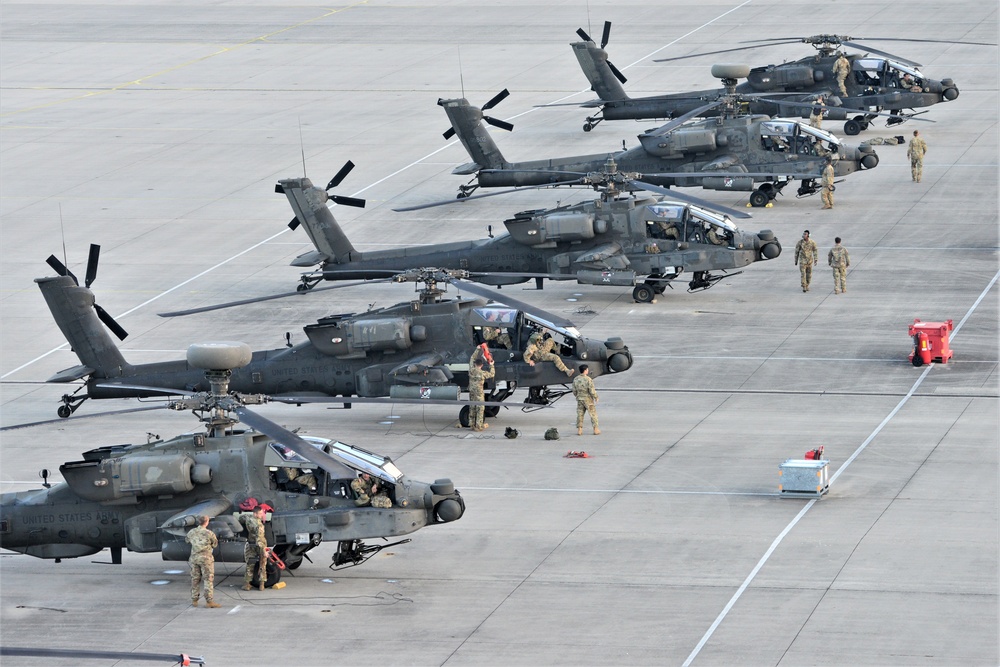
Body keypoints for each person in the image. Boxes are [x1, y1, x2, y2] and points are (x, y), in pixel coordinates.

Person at [186, 515, 220, 608]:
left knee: (195, 579)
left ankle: (194, 600)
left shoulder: (192, 532)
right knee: (208, 579)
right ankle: (209, 601)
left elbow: (187, 540)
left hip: (194, 558)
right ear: (207, 522)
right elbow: (215, 544)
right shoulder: (209, 533)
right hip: (206, 559)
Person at [239, 505, 268, 591]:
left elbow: (241, 518)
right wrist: (264, 551)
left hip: (251, 543)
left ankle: (247, 584)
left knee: (250, 563)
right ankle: (262, 585)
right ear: (255, 514)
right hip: (260, 545)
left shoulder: (248, 518)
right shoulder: (259, 526)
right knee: (262, 564)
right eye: (260, 513)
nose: (262, 515)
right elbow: (259, 539)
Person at [468, 356, 495, 432]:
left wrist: (477, 349)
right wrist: (491, 364)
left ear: (475, 364)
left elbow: (472, 358)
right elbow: (492, 374)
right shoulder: (483, 373)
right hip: (479, 393)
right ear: (482, 365)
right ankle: (478, 426)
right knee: (480, 408)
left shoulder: (471, 370)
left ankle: (471, 424)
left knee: (472, 407)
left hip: (472, 392)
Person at [572, 365, 600, 436]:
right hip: (588, 400)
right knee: (593, 414)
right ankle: (595, 429)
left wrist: (578, 396)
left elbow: (574, 390)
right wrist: (596, 397)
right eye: (587, 369)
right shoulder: (588, 379)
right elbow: (591, 390)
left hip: (580, 399)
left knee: (580, 414)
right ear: (585, 370)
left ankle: (579, 429)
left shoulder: (576, 379)